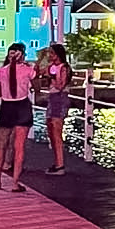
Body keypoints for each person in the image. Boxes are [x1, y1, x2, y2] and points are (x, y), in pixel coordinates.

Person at [0, 42, 34, 192]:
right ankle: (15, 182)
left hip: (7, 106)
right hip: (22, 106)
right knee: (19, 146)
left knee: (1, 145)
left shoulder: (1, 72)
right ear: (22, 55)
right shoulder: (28, 70)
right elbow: (37, 87)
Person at [41, 42, 72, 173]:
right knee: (51, 130)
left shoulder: (64, 68)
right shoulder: (51, 67)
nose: (50, 55)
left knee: (56, 130)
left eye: (52, 53)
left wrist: (51, 77)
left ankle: (60, 164)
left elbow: (60, 85)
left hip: (60, 97)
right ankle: (56, 162)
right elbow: (38, 72)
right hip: (52, 98)